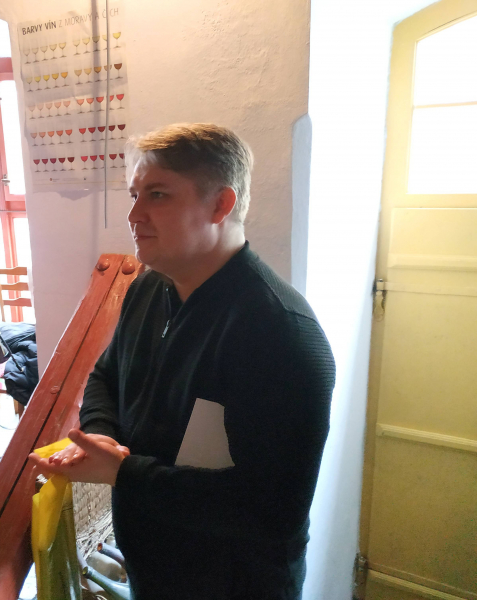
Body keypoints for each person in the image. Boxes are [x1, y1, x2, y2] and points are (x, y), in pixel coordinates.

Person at [29, 123, 335, 599]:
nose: (134, 215)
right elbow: (108, 373)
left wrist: (123, 473)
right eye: (135, 194)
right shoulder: (149, 287)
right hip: (153, 566)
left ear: (221, 205)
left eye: (158, 195)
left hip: (235, 584)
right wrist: (103, 433)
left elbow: (272, 513)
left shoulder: (280, 332)